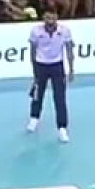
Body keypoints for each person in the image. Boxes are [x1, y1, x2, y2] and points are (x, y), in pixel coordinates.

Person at [27, 10, 74, 141]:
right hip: (40, 65)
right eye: (48, 18)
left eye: (53, 18)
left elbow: (69, 50)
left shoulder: (65, 31)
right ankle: (34, 118)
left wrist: (71, 69)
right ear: (44, 17)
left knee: (60, 98)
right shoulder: (36, 31)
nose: (50, 21)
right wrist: (34, 70)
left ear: (57, 17)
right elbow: (32, 51)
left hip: (57, 66)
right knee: (37, 95)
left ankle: (62, 128)